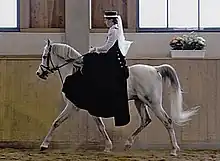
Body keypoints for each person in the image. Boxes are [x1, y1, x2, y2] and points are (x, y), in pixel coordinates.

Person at [62, 11, 133, 126]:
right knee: (90, 58)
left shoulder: (114, 30)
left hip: (113, 59)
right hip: (110, 56)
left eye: (106, 20)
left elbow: (108, 47)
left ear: (111, 20)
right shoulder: (113, 30)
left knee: (90, 60)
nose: (105, 22)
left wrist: (96, 49)